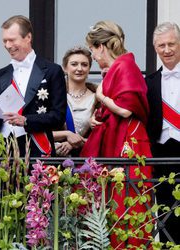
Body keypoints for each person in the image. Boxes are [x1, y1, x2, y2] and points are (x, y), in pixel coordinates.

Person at [80, 20, 152, 247]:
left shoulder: (125, 65)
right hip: (117, 138)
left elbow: (125, 108)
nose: (93, 56)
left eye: (92, 50)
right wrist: (97, 117)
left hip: (128, 142)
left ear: (101, 46)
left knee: (127, 203)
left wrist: (101, 98)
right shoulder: (118, 67)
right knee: (113, 202)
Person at [0, 15, 67, 157]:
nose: (8, 45)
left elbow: (58, 116)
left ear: (28, 37)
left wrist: (26, 120)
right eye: (5, 41)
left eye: (12, 40)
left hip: (36, 149)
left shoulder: (52, 71)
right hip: (3, 151)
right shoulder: (1, 74)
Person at [145, 22, 180, 244]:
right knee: (166, 211)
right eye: (161, 45)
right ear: (155, 48)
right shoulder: (148, 83)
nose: (166, 50)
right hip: (161, 154)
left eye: (171, 44)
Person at [53, 46, 97, 156]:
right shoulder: (55, 96)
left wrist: (75, 143)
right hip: (56, 164)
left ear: (89, 68)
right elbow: (41, 133)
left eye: (84, 64)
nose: (79, 68)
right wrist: (67, 134)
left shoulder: (98, 99)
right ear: (65, 68)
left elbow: (104, 138)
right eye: (74, 64)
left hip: (89, 163)